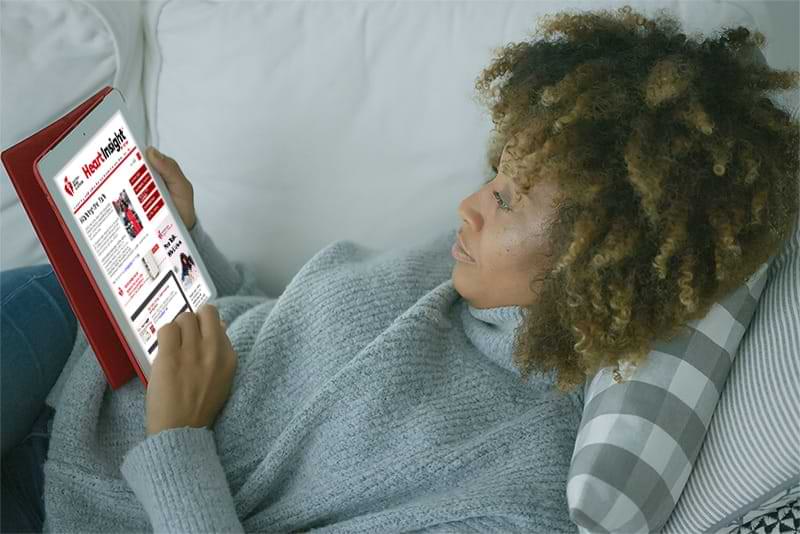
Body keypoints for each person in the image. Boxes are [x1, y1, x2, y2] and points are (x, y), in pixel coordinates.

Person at [2, 5, 798, 533]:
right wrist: (185, 240)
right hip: (78, 339)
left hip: (75, 499)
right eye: (496, 174)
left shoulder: (513, 495)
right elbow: (279, 337)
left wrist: (177, 439)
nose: (469, 206)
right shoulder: (466, 272)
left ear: (602, 260)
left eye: (510, 199)